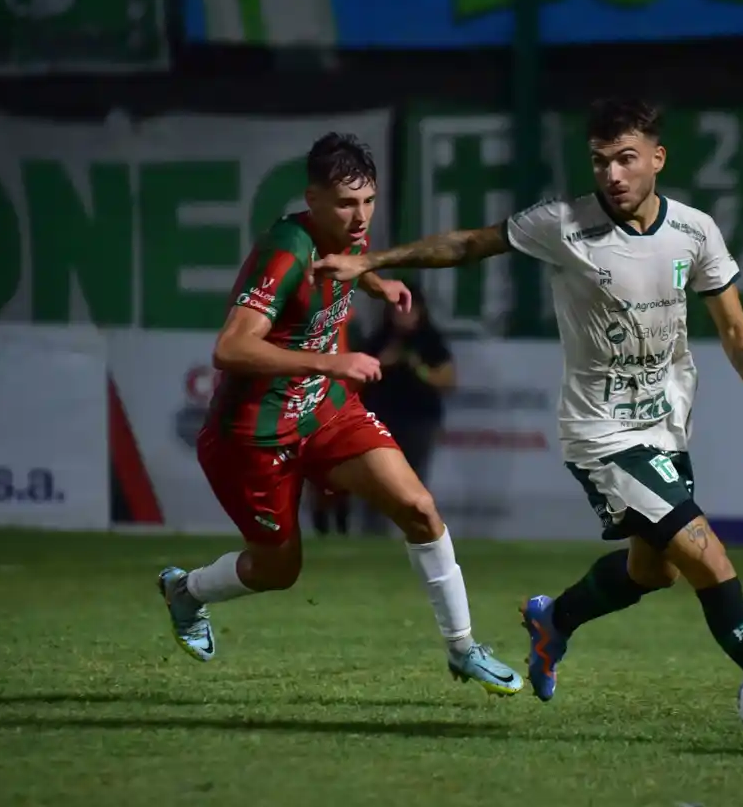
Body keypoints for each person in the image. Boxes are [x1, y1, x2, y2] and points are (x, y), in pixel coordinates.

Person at [309, 99, 743, 748]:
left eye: (626, 158)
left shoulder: (695, 231)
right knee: (709, 556)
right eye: (600, 161)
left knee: (656, 571)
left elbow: (735, 329)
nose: (613, 175)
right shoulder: (565, 224)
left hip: (665, 427)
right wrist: (374, 261)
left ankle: (556, 618)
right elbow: (468, 242)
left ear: (658, 157)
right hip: (603, 434)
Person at [155, 132, 524, 697]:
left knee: (419, 508)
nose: (360, 217)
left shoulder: (347, 234)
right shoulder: (285, 252)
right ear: (313, 199)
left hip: (326, 413)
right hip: (252, 438)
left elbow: (349, 262)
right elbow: (230, 349)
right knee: (279, 571)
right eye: (347, 203)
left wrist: (378, 282)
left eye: (368, 201)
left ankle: (463, 647)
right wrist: (330, 362)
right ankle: (188, 592)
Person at [357, 286, 455, 533]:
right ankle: (373, 536)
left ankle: (419, 536)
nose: (403, 316)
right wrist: (382, 362)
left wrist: (417, 367)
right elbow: (354, 379)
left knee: (413, 483)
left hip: (419, 420)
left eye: (408, 310)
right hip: (380, 421)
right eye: (398, 310)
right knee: (378, 481)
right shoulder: (379, 339)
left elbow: (447, 380)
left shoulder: (430, 341)